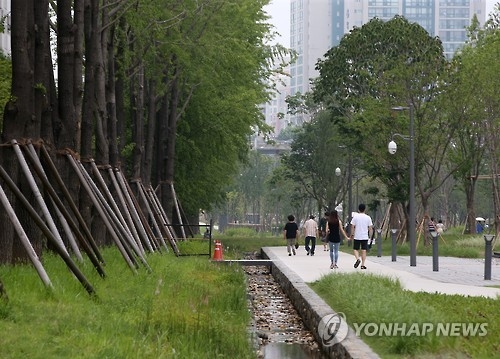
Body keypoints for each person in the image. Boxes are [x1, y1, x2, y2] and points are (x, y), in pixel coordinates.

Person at [350, 203, 373, 270]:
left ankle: (358, 259)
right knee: (364, 250)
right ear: (365, 209)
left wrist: (352, 234)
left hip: (357, 236)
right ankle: (363, 265)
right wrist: (370, 236)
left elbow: (352, 226)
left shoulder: (356, 217)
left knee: (355, 249)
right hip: (365, 236)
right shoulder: (368, 217)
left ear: (358, 209)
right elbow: (370, 228)